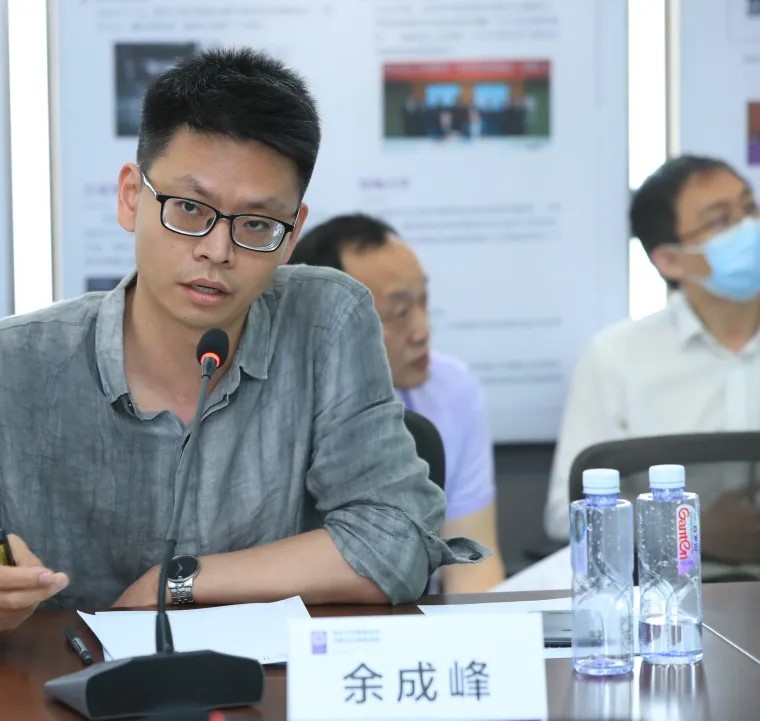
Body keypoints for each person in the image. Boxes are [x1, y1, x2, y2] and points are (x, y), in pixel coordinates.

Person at [0, 47, 482, 632]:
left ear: (292, 233)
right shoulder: (10, 366)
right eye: (190, 209)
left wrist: (178, 582)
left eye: (257, 224)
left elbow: (399, 537)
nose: (217, 250)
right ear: (129, 198)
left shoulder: (327, 320)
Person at [545, 155, 760, 574]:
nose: (748, 229)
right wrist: (694, 531)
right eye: (720, 222)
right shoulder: (617, 356)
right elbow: (563, 513)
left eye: (749, 208)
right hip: (670, 596)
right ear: (671, 260)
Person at [289, 214, 505, 593]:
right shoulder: (277, 407)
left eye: (424, 301)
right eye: (400, 313)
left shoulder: (452, 390)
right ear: (329, 322)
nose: (422, 330)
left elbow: (475, 572)